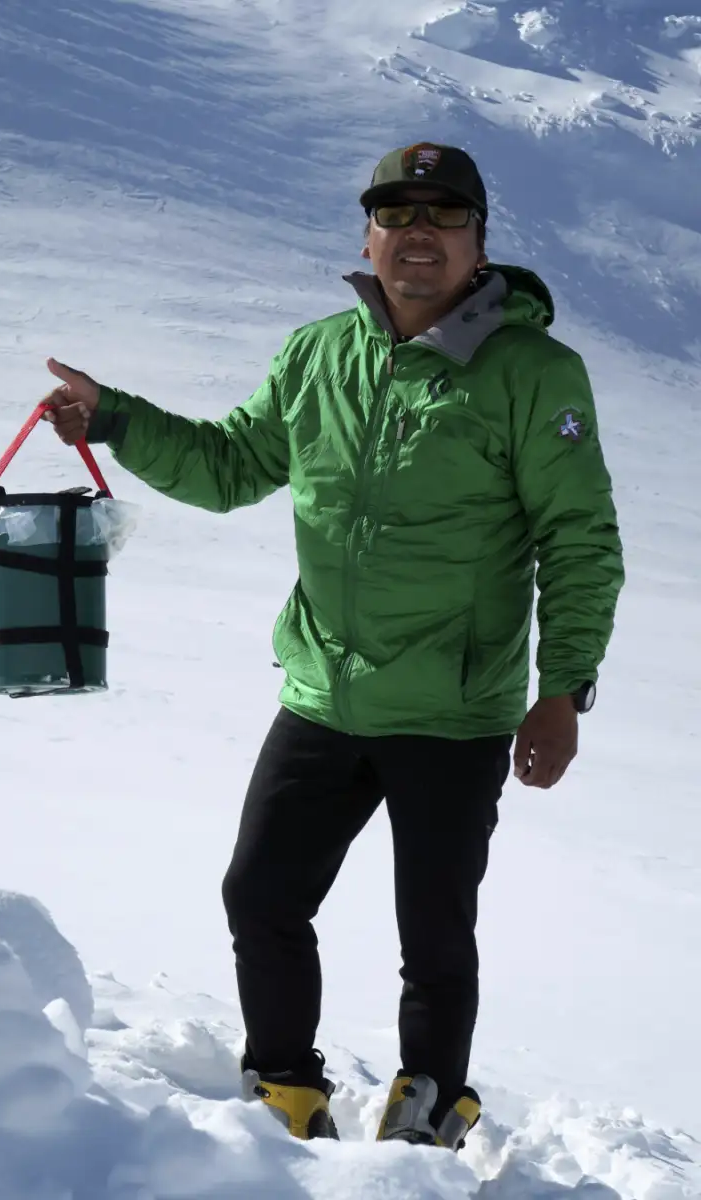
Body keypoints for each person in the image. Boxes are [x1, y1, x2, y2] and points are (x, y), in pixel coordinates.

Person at [42, 142, 625, 1149]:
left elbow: (578, 539)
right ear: (367, 236)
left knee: (432, 934)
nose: (416, 236)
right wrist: (118, 422)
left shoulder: (532, 373)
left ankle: (428, 1105)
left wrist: (561, 689)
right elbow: (232, 466)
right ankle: (285, 1091)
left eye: (441, 218)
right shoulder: (319, 354)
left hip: (451, 708)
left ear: (477, 242)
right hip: (323, 689)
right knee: (258, 895)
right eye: (396, 216)